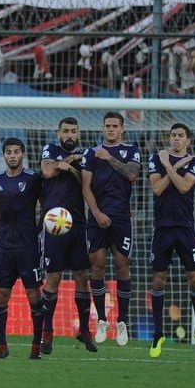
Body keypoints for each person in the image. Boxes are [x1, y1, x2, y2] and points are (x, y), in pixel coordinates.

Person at [147, 123, 195, 358]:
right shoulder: (156, 158)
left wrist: (169, 165)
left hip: (185, 228)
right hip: (162, 228)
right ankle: (158, 333)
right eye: (173, 135)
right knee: (159, 280)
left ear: (188, 141)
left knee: (194, 277)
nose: (176, 139)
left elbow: (184, 187)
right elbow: (157, 188)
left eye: (180, 136)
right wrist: (171, 165)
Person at [81, 112, 141, 347]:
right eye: (108, 126)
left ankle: (123, 321)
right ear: (103, 127)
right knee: (96, 266)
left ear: (122, 129)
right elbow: (86, 187)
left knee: (122, 264)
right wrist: (96, 213)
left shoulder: (131, 150)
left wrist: (108, 158)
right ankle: (103, 320)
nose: (111, 129)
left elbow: (132, 174)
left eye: (115, 126)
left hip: (121, 217)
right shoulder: (90, 153)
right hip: (97, 217)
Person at [38, 117, 96, 353]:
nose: (69, 135)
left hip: (78, 223)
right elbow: (48, 170)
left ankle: (84, 330)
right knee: (53, 278)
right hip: (54, 223)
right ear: (58, 132)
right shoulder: (50, 149)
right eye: (65, 131)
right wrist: (66, 162)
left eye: (73, 131)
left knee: (82, 276)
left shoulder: (85, 155)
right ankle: (47, 332)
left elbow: (86, 182)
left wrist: (70, 162)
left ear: (78, 133)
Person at [0, 137, 44, 359]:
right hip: (4, 248)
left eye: (16, 152)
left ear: (23, 154)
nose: (12, 155)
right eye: (9, 152)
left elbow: (45, 205)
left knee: (33, 294)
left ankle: (36, 345)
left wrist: (37, 229)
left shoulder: (33, 178)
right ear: (4, 155)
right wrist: (3, 230)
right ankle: (2, 345)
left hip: (28, 247)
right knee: (1, 294)